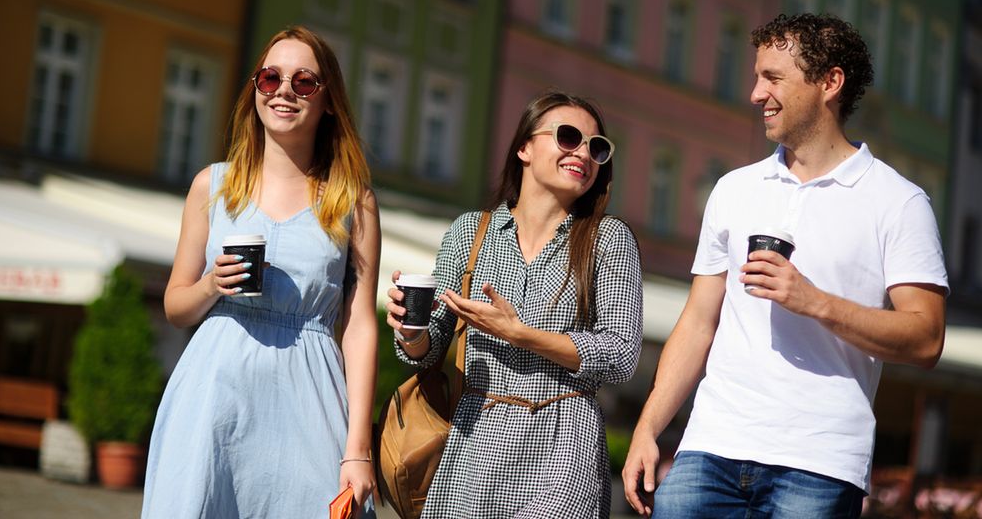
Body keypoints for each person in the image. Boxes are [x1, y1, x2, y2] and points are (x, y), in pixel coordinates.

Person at [622, 13, 948, 518]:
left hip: (818, 462)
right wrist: (648, 429)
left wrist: (815, 302)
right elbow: (697, 321)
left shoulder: (899, 202)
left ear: (829, 83)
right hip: (710, 447)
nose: (756, 93)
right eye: (757, 77)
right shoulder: (735, 188)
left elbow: (926, 338)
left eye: (773, 78)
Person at [142, 26, 379, 518]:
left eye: (304, 81)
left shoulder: (353, 201)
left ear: (329, 99)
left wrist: (358, 447)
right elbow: (175, 307)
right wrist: (211, 285)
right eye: (270, 78)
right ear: (255, 91)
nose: (284, 91)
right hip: (215, 392)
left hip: (310, 396)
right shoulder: (213, 185)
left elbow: (358, 327)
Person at [385, 91, 644, 518]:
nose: (583, 153)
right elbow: (428, 349)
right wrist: (409, 328)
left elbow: (620, 355)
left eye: (596, 147)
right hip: (473, 445)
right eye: (567, 137)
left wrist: (519, 334)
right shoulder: (471, 231)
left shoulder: (608, 239)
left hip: (564, 449)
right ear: (524, 147)